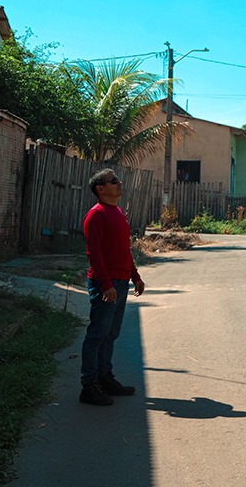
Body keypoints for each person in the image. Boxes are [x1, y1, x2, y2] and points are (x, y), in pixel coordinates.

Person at [79, 168, 145, 406]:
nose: (119, 183)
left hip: (120, 282)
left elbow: (123, 250)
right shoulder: (95, 215)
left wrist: (135, 276)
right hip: (105, 284)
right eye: (113, 181)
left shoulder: (117, 212)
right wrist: (106, 285)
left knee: (111, 334)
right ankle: (89, 385)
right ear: (100, 189)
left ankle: (105, 378)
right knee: (97, 335)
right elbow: (93, 254)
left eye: (118, 180)